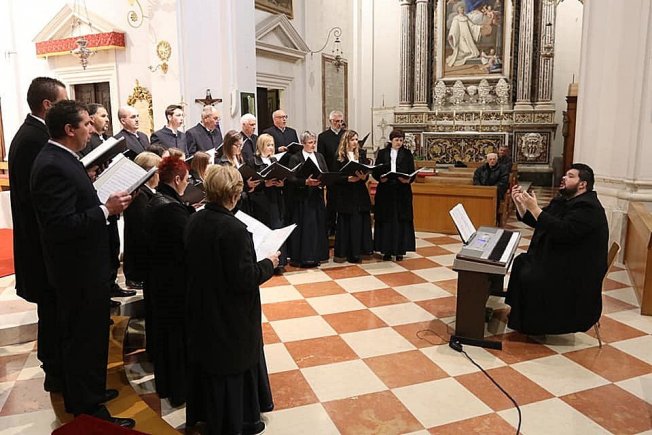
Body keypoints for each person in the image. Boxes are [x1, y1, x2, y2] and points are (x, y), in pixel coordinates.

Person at [30, 100, 134, 428]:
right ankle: (89, 410)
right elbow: (60, 226)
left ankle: (91, 392)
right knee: (82, 340)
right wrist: (106, 210)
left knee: (90, 337)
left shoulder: (63, 158)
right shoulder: (52, 165)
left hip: (85, 268)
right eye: (86, 124)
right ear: (69, 129)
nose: (91, 129)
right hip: (76, 272)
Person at [185, 164, 278, 435]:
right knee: (233, 362)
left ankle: (209, 415)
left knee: (211, 362)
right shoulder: (234, 229)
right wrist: (269, 263)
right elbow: (244, 279)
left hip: (203, 305)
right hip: (230, 313)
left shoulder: (195, 220)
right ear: (234, 194)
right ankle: (239, 421)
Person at [8, 77, 67, 394]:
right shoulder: (34, 139)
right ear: (48, 105)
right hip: (40, 246)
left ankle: (57, 368)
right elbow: (42, 196)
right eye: (62, 101)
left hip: (41, 243)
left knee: (53, 310)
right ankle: (55, 372)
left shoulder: (33, 133)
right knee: (52, 310)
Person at [506, 163, 609, 335]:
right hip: (563, 255)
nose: (564, 178)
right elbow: (541, 221)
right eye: (566, 174)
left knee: (531, 275)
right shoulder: (563, 200)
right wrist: (520, 204)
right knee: (521, 262)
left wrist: (534, 208)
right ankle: (520, 316)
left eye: (570, 176)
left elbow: (562, 231)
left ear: (582, 184)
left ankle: (535, 324)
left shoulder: (588, 207)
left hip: (576, 269)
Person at [145, 154, 195, 406]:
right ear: (176, 179)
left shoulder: (158, 199)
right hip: (173, 283)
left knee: (167, 337)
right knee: (176, 339)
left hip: (160, 279)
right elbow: (186, 244)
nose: (188, 183)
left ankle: (169, 385)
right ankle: (179, 390)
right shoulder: (170, 208)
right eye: (186, 179)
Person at [286, 131, 330, 267]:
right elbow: (291, 179)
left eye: (314, 142)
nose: (313, 145)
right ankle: (303, 257)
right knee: (305, 228)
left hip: (317, 196)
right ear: (303, 143)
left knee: (318, 226)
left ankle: (317, 256)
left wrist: (323, 181)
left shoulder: (319, 156)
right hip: (303, 198)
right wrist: (305, 182)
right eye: (310, 143)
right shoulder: (295, 158)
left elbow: (325, 172)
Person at [372, 129, 416, 261]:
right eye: (396, 140)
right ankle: (386, 250)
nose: (399, 142)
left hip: (402, 191)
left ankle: (399, 250)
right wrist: (380, 178)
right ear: (391, 140)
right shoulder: (382, 153)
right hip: (386, 191)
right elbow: (376, 170)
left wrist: (408, 179)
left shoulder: (407, 154)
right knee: (386, 220)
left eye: (401, 140)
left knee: (400, 220)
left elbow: (412, 171)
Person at [247, 133, 287, 274]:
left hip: (276, 199)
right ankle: (265, 263)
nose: (271, 148)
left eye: (272, 145)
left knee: (277, 229)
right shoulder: (253, 161)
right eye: (268, 145)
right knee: (265, 230)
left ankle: (279, 263)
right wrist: (265, 184)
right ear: (261, 146)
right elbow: (251, 183)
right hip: (261, 202)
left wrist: (282, 184)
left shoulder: (274, 160)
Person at [332, 130, 373, 263]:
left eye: (356, 139)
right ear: (346, 141)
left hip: (359, 192)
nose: (355, 142)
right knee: (347, 224)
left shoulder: (361, 154)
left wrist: (364, 177)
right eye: (352, 140)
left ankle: (358, 252)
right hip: (346, 194)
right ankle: (345, 253)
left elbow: (366, 172)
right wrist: (347, 179)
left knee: (359, 222)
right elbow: (335, 177)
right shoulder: (339, 156)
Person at [123, 151, 161, 291]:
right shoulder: (139, 195)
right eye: (158, 171)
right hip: (138, 263)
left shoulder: (144, 192)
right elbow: (140, 228)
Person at [317, 110, 345, 236]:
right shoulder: (323, 136)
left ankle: (342, 226)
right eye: (336, 121)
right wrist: (325, 174)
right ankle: (330, 226)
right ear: (330, 121)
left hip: (344, 173)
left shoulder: (345, 135)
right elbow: (321, 157)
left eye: (341, 121)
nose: (339, 124)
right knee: (332, 201)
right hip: (331, 173)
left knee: (343, 200)